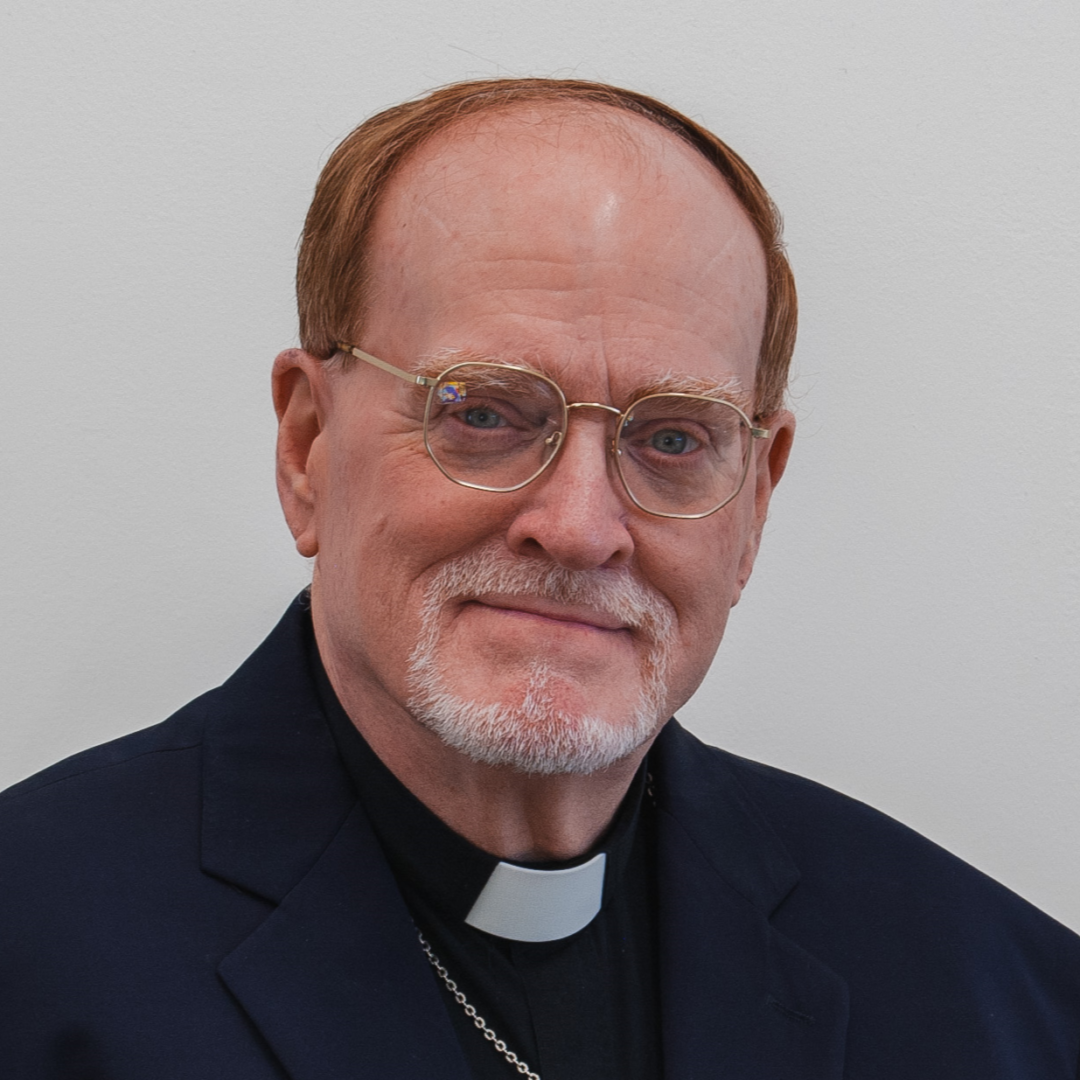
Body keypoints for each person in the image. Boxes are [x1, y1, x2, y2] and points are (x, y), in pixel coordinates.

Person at [1, 78, 1078, 1080]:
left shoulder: (1005, 1000)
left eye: (671, 439)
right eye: (482, 413)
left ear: (754, 501)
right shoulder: (29, 951)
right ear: (308, 446)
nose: (579, 528)